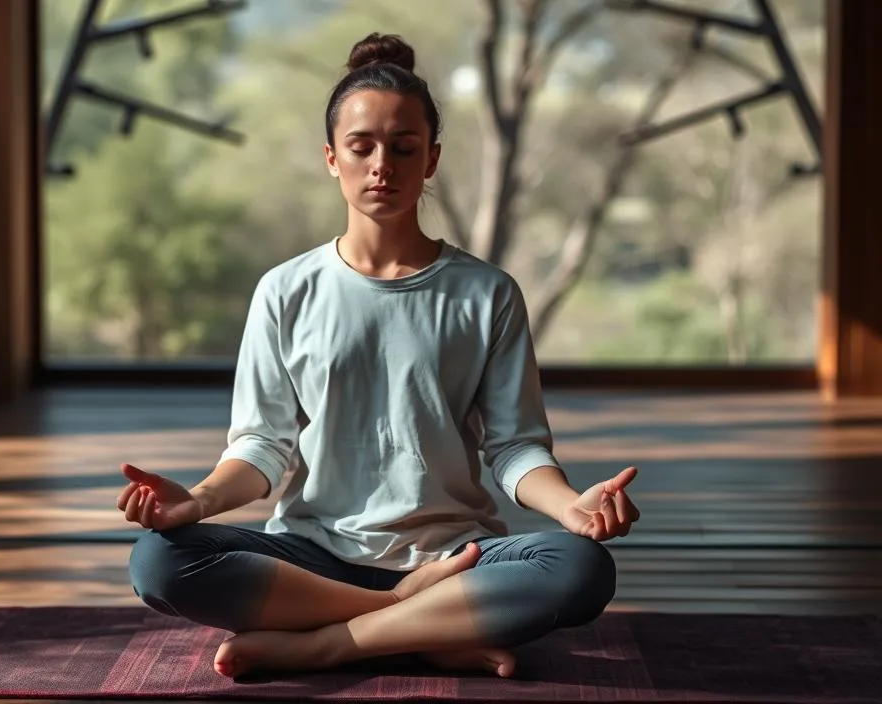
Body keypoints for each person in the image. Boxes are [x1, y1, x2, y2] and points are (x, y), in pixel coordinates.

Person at [118, 32, 640, 680]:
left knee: (582, 569)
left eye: (403, 147)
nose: (381, 165)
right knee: (158, 563)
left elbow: (513, 447)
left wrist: (571, 507)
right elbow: (261, 447)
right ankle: (408, 621)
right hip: (312, 554)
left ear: (433, 159)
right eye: (361, 147)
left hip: (458, 558)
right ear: (332, 157)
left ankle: (324, 644)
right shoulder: (286, 290)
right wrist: (193, 503)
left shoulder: (487, 293)